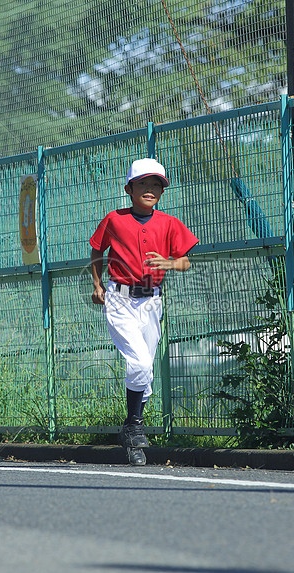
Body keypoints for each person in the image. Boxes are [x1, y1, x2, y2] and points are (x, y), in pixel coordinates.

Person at [89, 158, 198, 466]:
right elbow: (97, 250)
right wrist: (97, 285)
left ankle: (131, 422)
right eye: (143, 184)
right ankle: (135, 429)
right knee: (138, 363)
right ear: (129, 188)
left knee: (145, 374)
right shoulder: (114, 219)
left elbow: (185, 261)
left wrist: (170, 262)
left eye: (157, 185)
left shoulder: (168, 223)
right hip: (120, 298)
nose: (150, 189)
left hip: (151, 301)